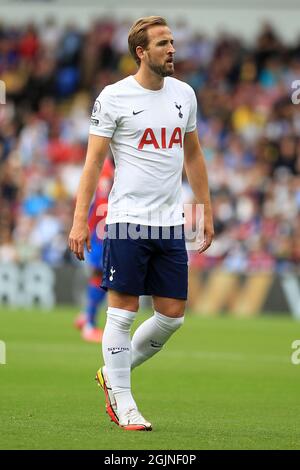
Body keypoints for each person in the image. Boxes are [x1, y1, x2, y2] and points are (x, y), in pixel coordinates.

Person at [69, 16, 214, 431]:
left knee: (172, 316)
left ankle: (112, 373)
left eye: (172, 42)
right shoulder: (114, 97)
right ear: (141, 52)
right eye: (163, 43)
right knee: (122, 313)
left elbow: (194, 155)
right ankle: (124, 402)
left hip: (169, 223)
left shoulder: (184, 94)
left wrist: (203, 209)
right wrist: (80, 221)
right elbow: (93, 163)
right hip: (127, 221)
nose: (172, 50)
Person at [74, 157, 114, 342]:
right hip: (102, 231)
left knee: (104, 277)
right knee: (101, 276)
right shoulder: (105, 167)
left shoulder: (108, 166)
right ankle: (89, 323)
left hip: (107, 229)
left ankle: (86, 316)